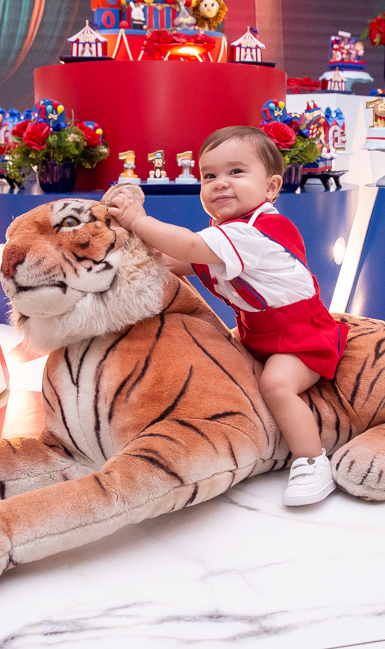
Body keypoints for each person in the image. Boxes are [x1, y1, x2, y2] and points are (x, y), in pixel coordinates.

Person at [108, 125, 348, 506]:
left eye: (236, 172)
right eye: (209, 175)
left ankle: (312, 461)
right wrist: (140, 255)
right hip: (259, 335)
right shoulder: (227, 232)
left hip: (301, 338)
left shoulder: (257, 231)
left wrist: (138, 220)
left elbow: (187, 245)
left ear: (270, 188)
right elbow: (182, 259)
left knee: (275, 386)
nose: (220, 183)